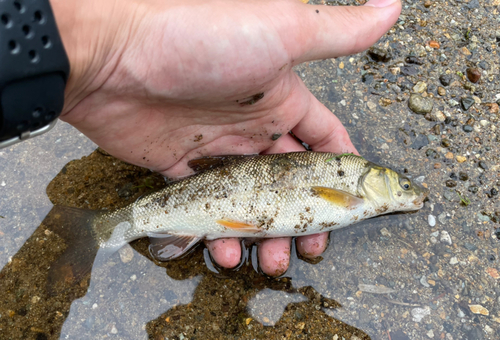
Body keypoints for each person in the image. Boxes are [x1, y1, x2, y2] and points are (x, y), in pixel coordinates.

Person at [50, 0, 401, 276]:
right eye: (400, 186)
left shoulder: (353, 187)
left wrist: (103, 57)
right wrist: (105, 55)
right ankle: (101, 228)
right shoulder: (352, 181)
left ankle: (111, 227)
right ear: (374, 181)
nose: (405, 191)